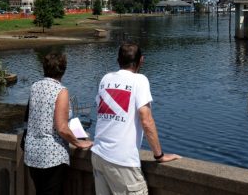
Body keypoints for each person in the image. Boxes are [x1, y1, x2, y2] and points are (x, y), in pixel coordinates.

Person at [91, 42, 181, 194]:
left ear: (118, 60)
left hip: (98, 155)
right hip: (121, 161)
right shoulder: (140, 80)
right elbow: (146, 121)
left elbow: (100, 109)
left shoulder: (106, 79)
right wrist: (159, 155)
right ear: (141, 60)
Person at [24, 52, 93, 195]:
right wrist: (78, 143)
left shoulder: (34, 87)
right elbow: (61, 127)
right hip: (51, 156)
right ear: (63, 70)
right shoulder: (61, 91)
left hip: (32, 153)